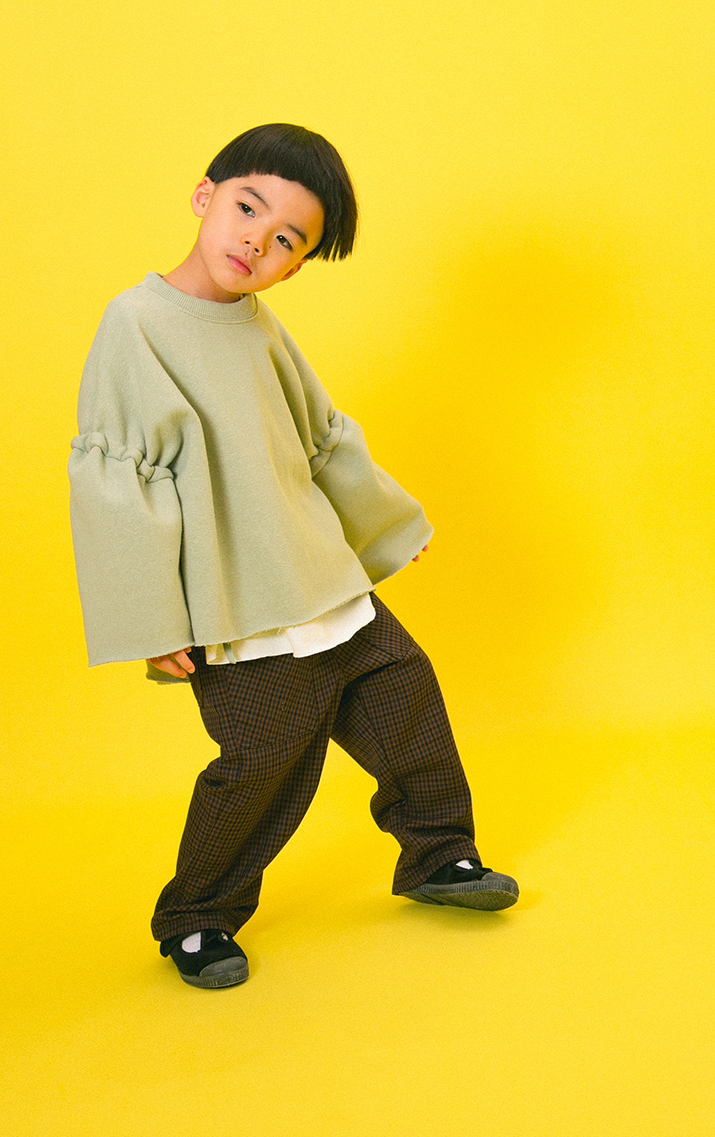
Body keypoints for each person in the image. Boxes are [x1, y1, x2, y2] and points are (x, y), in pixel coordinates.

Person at [68, 123, 518, 990]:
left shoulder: (260, 327)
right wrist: (153, 620)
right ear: (204, 196)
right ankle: (196, 917)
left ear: (295, 268)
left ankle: (438, 855)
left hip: (322, 579)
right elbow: (123, 480)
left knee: (408, 705)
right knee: (263, 764)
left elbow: (318, 437)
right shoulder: (138, 324)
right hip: (241, 602)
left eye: (285, 240)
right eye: (248, 209)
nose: (255, 242)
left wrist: (387, 524)